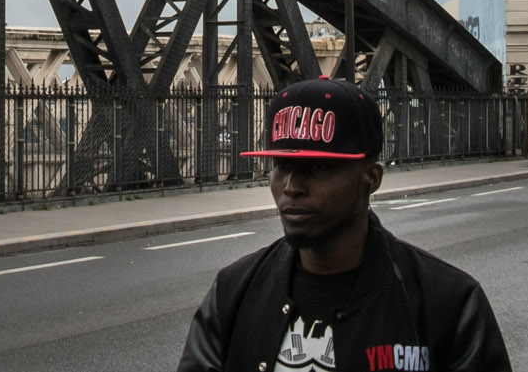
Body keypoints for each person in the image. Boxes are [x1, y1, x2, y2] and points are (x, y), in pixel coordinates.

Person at [177, 78, 511, 372]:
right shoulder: (232, 291)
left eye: (319, 167)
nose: (292, 186)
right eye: (281, 165)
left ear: (372, 178)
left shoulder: (449, 302)